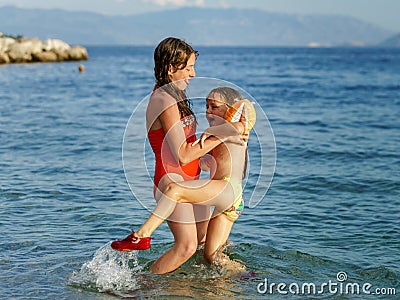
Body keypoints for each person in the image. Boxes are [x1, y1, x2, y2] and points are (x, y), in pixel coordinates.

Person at [111, 37, 245, 274]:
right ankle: (143, 287)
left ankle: (198, 286)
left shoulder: (176, 96)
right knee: (186, 246)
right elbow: (182, 155)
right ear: (170, 68)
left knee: (203, 242)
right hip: (171, 180)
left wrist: (218, 150)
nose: (193, 74)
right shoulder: (163, 100)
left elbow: (190, 147)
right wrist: (225, 133)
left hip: (192, 180)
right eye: (189, 68)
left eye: (194, 67)